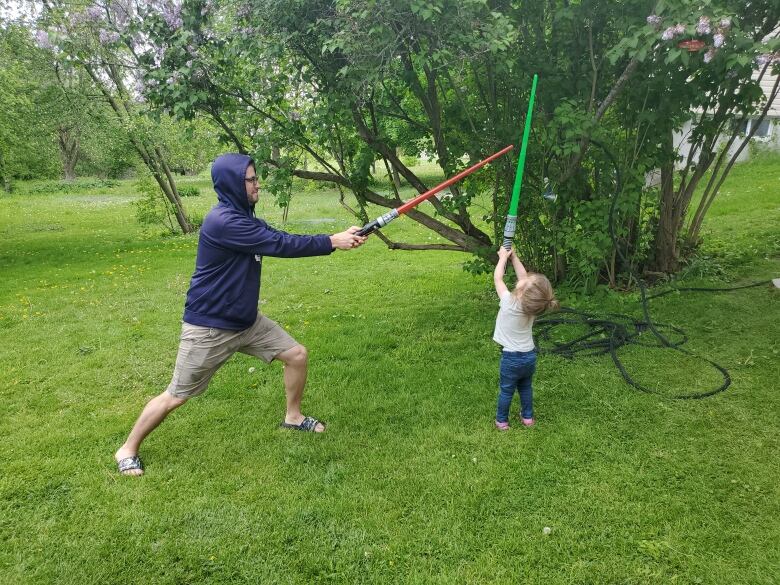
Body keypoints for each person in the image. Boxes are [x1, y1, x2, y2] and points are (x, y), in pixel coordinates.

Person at [115, 153, 366, 476]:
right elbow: (280, 243)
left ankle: (293, 416)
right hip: (211, 326)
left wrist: (338, 238)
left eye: (255, 177)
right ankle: (127, 448)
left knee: (297, 355)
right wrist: (332, 241)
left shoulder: (242, 218)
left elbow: (277, 238)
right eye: (250, 179)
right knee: (176, 396)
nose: (257, 183)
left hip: (246, 321)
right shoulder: (224, 222)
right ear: (233, 184)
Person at [492, 246, 558, 430]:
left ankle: (502, 421)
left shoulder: (509, 302)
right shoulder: (534, 306)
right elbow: (524, 279)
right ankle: (528, 418)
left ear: (522, 291)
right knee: (525, 388)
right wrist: (515, 258)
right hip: (529, 356)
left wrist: (503, 258)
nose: (524, 278)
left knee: (507, 390)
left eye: (526, 280)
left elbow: (498, 278)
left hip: (511, 358)